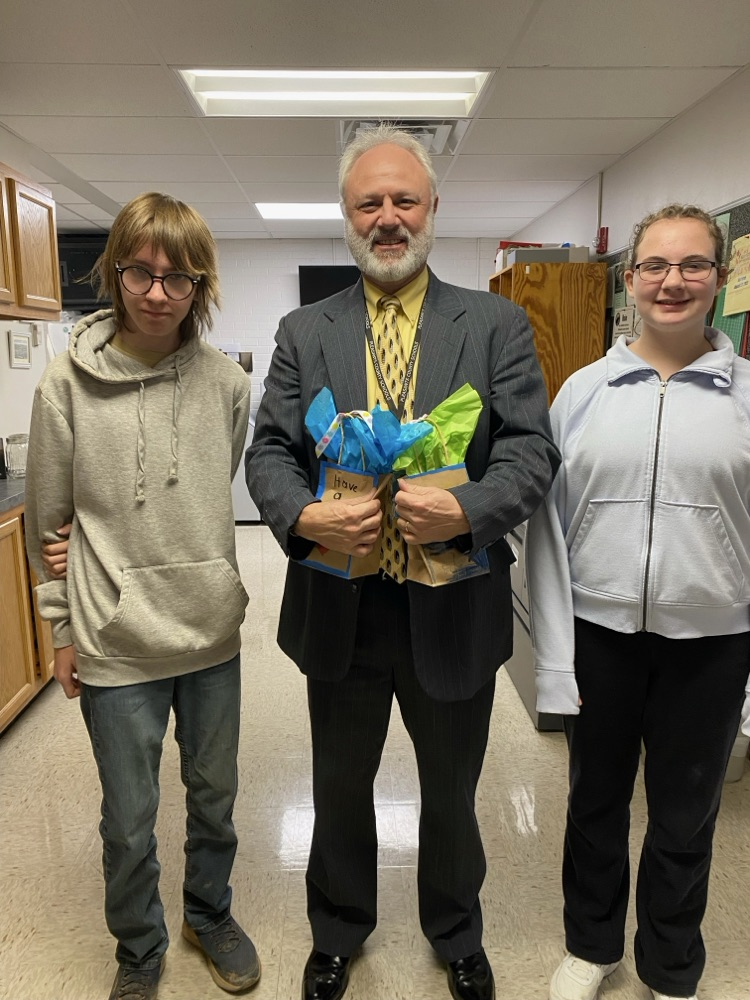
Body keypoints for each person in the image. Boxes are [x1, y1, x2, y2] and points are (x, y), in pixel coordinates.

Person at [245, 124, 559, 1000]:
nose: (387, 217)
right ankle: (337, 931)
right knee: (339, 787)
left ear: (432, 208)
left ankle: (456, 932)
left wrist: (466, 509)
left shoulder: (495, 324)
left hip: (452, 599)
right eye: (369, 203)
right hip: (341, 603)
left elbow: (530, 451)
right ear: (347, 216)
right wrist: (304, 514)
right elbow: (269, 452)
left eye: (404, 199)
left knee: (453, 793)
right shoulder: (305, 331)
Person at [25, 193, 261, 1000]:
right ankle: (138, 948)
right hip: (114, 636)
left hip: (209, 632)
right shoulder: (65, 385)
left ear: (201, 286)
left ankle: (209, 914)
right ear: (115, 272)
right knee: (128, 820)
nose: (157, 293)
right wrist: (61, 630)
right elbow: (49, 517)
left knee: (215, 799)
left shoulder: (228, 385)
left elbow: (208, 487)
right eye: (141, 273)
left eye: (178, 278)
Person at [526, 204, 750, 1000]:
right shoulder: (583, 393)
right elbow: (547, 534)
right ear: (631, 279)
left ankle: (670, 966)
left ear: (721, 277)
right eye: (655, 265)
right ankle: (591, 947)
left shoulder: (746, 398)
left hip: (713, 646)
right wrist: (555, 660)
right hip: (600, 637)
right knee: (594, 805)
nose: (673, 281)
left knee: (686, 818)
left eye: (693, 265)